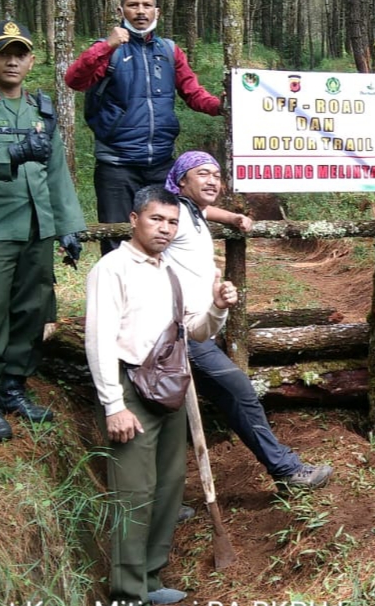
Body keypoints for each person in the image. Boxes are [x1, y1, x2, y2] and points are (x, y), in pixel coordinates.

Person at [85, 185, 237, 606]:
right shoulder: (113, 268)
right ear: (134, 219)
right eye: (156, 219)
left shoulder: (167, 271)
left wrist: (219, 307)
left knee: (168, 487)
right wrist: (113, 405)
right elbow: (98, 340)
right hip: (130, 389)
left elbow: (197, 331)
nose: (165, 229)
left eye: (172, 222)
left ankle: (151, 580)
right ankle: (127, 593)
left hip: (168, 389)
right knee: (133, 493)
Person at [0, 20, 85, 442]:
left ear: (31, 60)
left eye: (19, 52)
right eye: (2, 51)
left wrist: (69, 227)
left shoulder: (42, 109)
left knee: (31, 311)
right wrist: (14, 151)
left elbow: (58, 174)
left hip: (37, 228)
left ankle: (13, 388)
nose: (11, 59)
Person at [164, 151, 333, 490]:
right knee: (237, 392)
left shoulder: (192, 212)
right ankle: (285, 470)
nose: (212, 179)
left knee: (203, 405)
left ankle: (164, 504)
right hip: (180, 334)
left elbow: (204, 209)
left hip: (195, 331)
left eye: (216, 173)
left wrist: (231, 217)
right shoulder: (173, 215)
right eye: (202, 173)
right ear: (181, 181)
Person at [65, 0, 227, 254]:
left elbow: (192, 92)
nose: (140, 11)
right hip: (116, 163)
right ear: (121, 10)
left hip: (161, 164)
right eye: (133, 5)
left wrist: (221, 106)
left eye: (146, 5)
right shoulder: (108, 49)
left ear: (157, 12)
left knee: (165, 237)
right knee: (117, 240)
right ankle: (119, 296)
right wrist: (107, 46)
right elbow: (74, 80)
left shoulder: (169, 51)